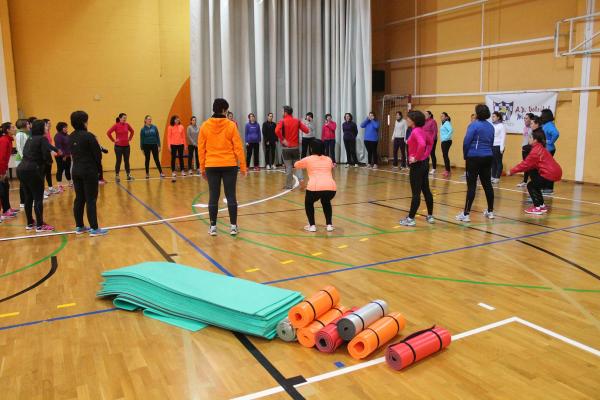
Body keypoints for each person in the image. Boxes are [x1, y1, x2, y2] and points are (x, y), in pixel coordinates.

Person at [199, 98, 247, 236]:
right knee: (231, 195)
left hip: (211, 165)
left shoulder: (205, 126)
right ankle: (233, 226)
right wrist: (243, 166)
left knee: (213, 196)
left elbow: (201, 149)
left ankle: (213, 227)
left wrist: (202, 168)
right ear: (224, 110)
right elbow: (238, 147)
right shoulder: (231, 125)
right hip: (229, 164)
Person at [507, 119, 562, 215]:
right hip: (555, 172)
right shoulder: (540, 147)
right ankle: (541, 206)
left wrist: (511, 171)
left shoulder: (535, 151)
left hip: (550, 174)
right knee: (535, 184)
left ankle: (537, 207)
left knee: (531, 185)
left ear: (535, 140)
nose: (528, 139)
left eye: (530, 137)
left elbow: (525, 165)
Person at [70, 110, 107, 236]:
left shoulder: (71, 136)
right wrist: (97, 170)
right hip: (88, 170)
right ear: (83, 122)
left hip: (75, 170)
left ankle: (79, 226)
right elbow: (98, 155)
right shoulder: (88, 136)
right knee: (91, 199)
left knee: (79, 198)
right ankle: (94, 228)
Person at [456, 104, 495, 222]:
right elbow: (491, 142)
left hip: (474, 158)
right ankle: (490, 211)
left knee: (471, 186)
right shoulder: (491, 127)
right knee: (487, 184)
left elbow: (466, 142)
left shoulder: (473, 125)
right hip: (488, 157)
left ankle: (466, 214)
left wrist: (465, 155)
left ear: (477, 113)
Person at [16, 120, 54, 231]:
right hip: (33, 170)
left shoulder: (30, 138)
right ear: (41, 128)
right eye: (45, 126)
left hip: (21, 169)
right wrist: (49, 162)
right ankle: (40, 225)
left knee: (28, 197)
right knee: (38, 198)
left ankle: (29, 223)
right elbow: (46, 154)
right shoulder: (42, 138)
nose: (47, 127)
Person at [399, 110, 434, 226]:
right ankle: (430, 216)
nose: (407, 120)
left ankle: (410, 219)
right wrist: (425, 155)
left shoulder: (416, 132)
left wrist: (417, 157)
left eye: (408, 118)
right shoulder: (422, 131)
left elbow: (423, 144)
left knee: (416, 193)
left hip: (417, 165)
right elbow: (430, 142)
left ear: (413, 121)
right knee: (426, 190)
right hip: (424, 164)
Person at [294, 139, 336, 232]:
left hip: (315, 188)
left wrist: (300, 159)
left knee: (308, 203)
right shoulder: (328, 159)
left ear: (312, 149)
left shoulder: (308, 159)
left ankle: (312, 226)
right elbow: (332, 166)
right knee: (326, 201)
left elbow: (296, 165)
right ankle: (329, 225)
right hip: (331, 188)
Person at [275, 105, 309, 190]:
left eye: (282, 111)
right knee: (298, 165)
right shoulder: (297, 121)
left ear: (285, 112)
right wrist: (305, 122)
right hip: (295, 148)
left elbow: (276, 131)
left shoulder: (282, 121)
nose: (282, 113)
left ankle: (289, 185)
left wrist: (283, 139)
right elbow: (307, 130)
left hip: (286, 148)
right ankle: (301, 180)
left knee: (288, 167)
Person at [107, 113, 134, 182]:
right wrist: (114, 140)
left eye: (125, 118)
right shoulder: (116, 125)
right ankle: (117, 175)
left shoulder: (127, 125)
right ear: (120, 118)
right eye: (124, 118)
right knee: (118, 161)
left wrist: (130, 138)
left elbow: (132, 131)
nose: (125, 119)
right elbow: (108, 133)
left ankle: (128, 175)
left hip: (127, 146)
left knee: (127, 161)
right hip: (118, 147)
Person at [0, 122, 18, 220]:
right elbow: (1, 158)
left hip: (3, 168)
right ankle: (5, 211)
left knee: (5, 188)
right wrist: (2, 172)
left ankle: (7, 209)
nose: (15, 129)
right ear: (7, 130)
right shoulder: (4, 140)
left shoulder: (9, 140)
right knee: (1, 191)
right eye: (13, 127)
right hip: (0, 169)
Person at [540, 109, 559, 195]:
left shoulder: (549, 125)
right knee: (544, 168)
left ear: (545, 116)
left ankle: (548, 188)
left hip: (549, 149)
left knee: (548, 169)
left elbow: (556, 133)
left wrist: (550, 141)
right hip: (546, 150)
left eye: (542, 114)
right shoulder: (546, 124)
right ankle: (545, 187)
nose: (541, 115)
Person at [15, 119, 31, 207]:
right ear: (24, 125)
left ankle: (26, 200)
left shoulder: (24, 134)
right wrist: (25, 160)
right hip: (22, 160)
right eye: (28, 124)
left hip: (25, 160)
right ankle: (23, 201)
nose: (29, 125)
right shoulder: (20, 134)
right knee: (23, 181)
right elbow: (20, 149)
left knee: (26, 181)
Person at [517, 113, 535, 187]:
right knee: (525, 165)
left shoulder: (532, 129)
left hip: (530, 149)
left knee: (531, 166)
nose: (525, 120)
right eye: (524, 118)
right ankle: (525, 181)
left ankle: (533, 181)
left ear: (531, 119)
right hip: (524, 149)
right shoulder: (525, 128)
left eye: (526, 118)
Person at [53, 122, 72, 190]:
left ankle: (70, 183)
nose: (66, 128)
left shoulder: (67, 135)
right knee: (60, 170)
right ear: (61, 128)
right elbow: (58, 147)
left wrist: (69, 154)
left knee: (67, 169)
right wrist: (63, 156)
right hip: (60, 156)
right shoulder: (58, 136)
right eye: (65, 127)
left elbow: (70, 145)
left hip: (67, 156)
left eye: (66, 127)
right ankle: (59, 185)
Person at [168, 115, 186, 182]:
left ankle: (182, 171)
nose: (177, 121)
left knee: (181, 158)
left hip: (181, 144)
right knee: (173, 158)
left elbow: (183, 136)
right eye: (176, 120)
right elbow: (169, 137)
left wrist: (185, 145)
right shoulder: (170, 127)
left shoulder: (181, 127)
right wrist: (169, 145)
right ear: (173, 120)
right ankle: (173, 171)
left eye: (178, 120)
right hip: (173, 144)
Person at [491, 111, 507, 183]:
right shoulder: (492, 125)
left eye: (494, 116)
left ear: (498, 117)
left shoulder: (501, 126)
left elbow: (503, 137)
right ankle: (493, 176)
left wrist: (501, 147)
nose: (492, 118)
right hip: (492, 146)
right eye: (492, 116)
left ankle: (497, 177)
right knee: (493, 162)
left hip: (498, 146)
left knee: (498, 162)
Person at [440, 112, 453, 177]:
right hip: (444, 141)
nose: (441, 117)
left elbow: (451, 130)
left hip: (446, 141)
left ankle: (447, 171)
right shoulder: (442, 123)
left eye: (442, 116)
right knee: (445, 155)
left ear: (446, 117)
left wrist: (445, 138)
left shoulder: (447, 123)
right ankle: (447, 170)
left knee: (445, 155)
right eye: (441, 116)